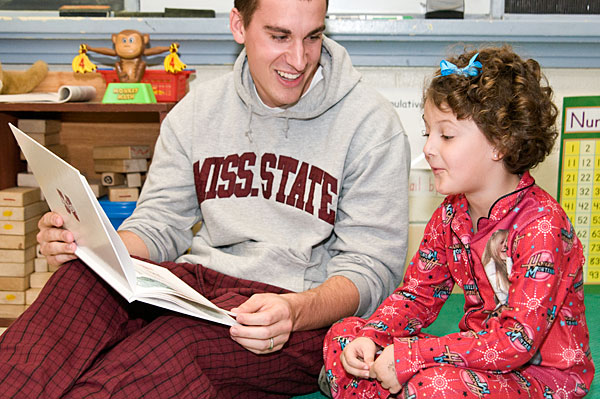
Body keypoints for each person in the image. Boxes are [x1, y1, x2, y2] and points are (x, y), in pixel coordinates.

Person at [0, 0, 411, 398]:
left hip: (295, 315)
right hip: (200, 289)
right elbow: (159, 224)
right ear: (238, 26)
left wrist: (297, 311)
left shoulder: (371, 125)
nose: (299, 59)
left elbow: (372, 269)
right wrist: (93, 247)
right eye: (279, 36)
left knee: (167, 350)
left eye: (313, 37)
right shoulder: (197, 111)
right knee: (78, 282)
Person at [323, 46, 594, 398]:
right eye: (428, 134)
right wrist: (373, 335)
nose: (429, 149)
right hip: (475, 357)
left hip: (542, 374)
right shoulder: (450, 216)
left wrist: (414, 356)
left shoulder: (541, 226)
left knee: (432, 384)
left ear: (501, 143)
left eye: (446, 136)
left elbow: (518, 340)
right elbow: (416, 297)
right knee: (345, 334)